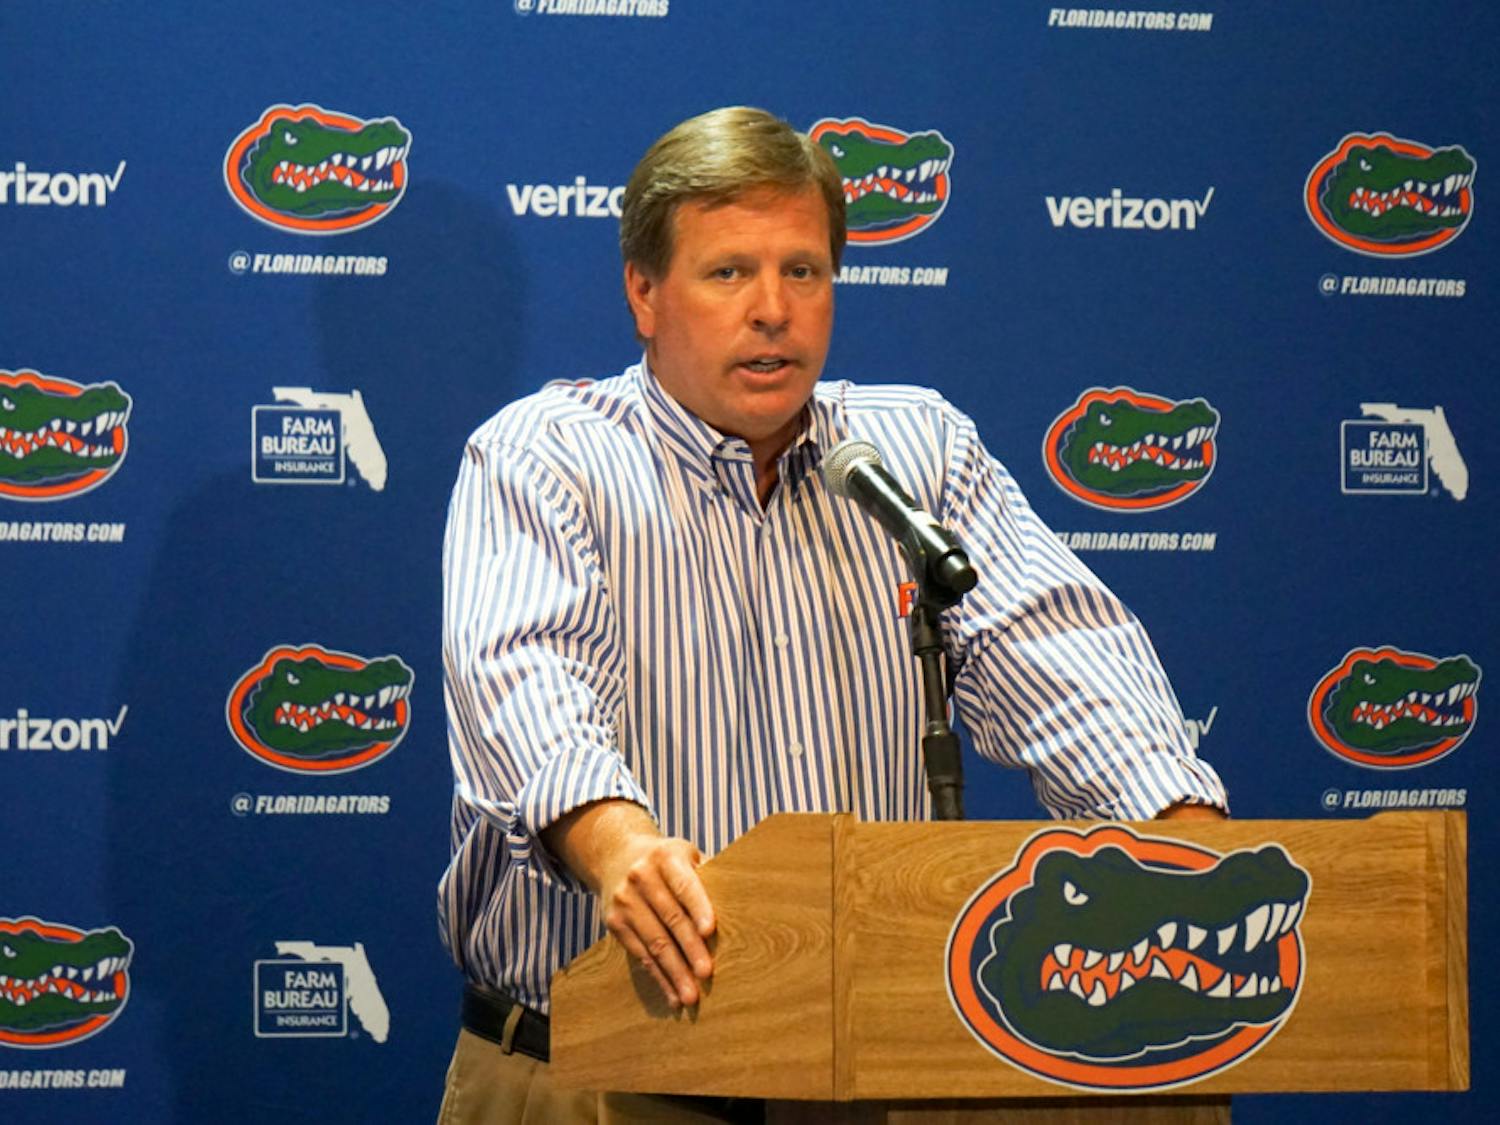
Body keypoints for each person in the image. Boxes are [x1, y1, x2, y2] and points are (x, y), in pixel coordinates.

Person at [436, 106, 1227, 1123]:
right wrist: (618, 845)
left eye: (803, 272)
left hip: (875, 1071)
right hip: (605, 1073)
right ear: (644, 292)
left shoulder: (917, 452)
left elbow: (1065, 661)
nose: (774, 310)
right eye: (729, 273)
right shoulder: (544, 457)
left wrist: (1185, 847)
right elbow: (527, 682)